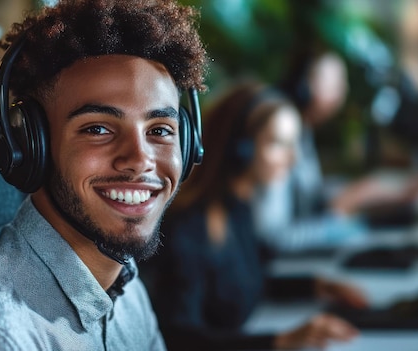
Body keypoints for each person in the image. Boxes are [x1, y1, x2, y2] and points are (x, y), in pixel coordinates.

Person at [0, 0, 208, 350]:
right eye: (97, 129)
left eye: (160, 130)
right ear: (33, 148)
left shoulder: (125, 284)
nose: (139, 160)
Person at [142, 81, 367, 350]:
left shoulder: (237, 208)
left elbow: (246, 283)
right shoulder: (188, 228)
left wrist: (318, 286)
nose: (293, 159)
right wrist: (279, 342)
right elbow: (179, 337)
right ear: (241, 148)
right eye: (278, 143)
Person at [252, 46, 418, 253]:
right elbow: (274, 236)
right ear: (305, 88)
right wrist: (338, 220)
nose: (343, 91)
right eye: (335, 83)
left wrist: (355, 193)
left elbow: (307, 194)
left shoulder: (302, 131)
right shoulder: (278, 139)